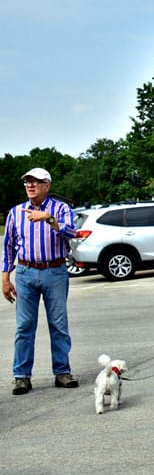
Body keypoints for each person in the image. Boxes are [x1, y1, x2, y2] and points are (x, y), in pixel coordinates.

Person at [3, 168, 79, 395]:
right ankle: (21, 377)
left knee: (58, 324)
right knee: (24, 326)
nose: (30, 185)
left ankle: (62, 373)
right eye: (27, 181)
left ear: (47, 185)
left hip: (54, 271)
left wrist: (49, 218)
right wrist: (5, 277)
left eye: (35, 181)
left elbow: (71, 233)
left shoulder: (61, 209)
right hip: (26, 272)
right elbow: (8, 247)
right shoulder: (16, 213)